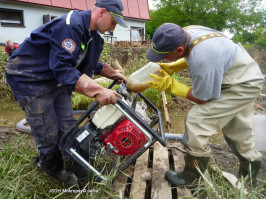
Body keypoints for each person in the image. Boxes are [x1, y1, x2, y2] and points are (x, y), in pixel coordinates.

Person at [5, 0, 127, 188]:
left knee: (69, 127)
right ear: (102, 12)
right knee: (48, 132)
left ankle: (76, 162)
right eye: (113, 22)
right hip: (30, 77)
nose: (114, 27)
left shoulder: (93, 36)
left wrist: (110, 72)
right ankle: (50, 166)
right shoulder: (70, 25)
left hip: (55, 78)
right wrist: (98, 91)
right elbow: (62, 67)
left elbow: (84, 63)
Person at [146, 23, 264, 187]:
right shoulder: (187, 32)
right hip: (244, 75)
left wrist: (172, 85)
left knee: (197, 121)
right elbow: (199, 52)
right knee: (237, 128)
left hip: (240, 85)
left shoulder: (203, 59)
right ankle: (249, 178)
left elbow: (203, 98)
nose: (163, 59)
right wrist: (176, 65)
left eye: (165, 56)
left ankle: (193, 177)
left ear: (179, 50)